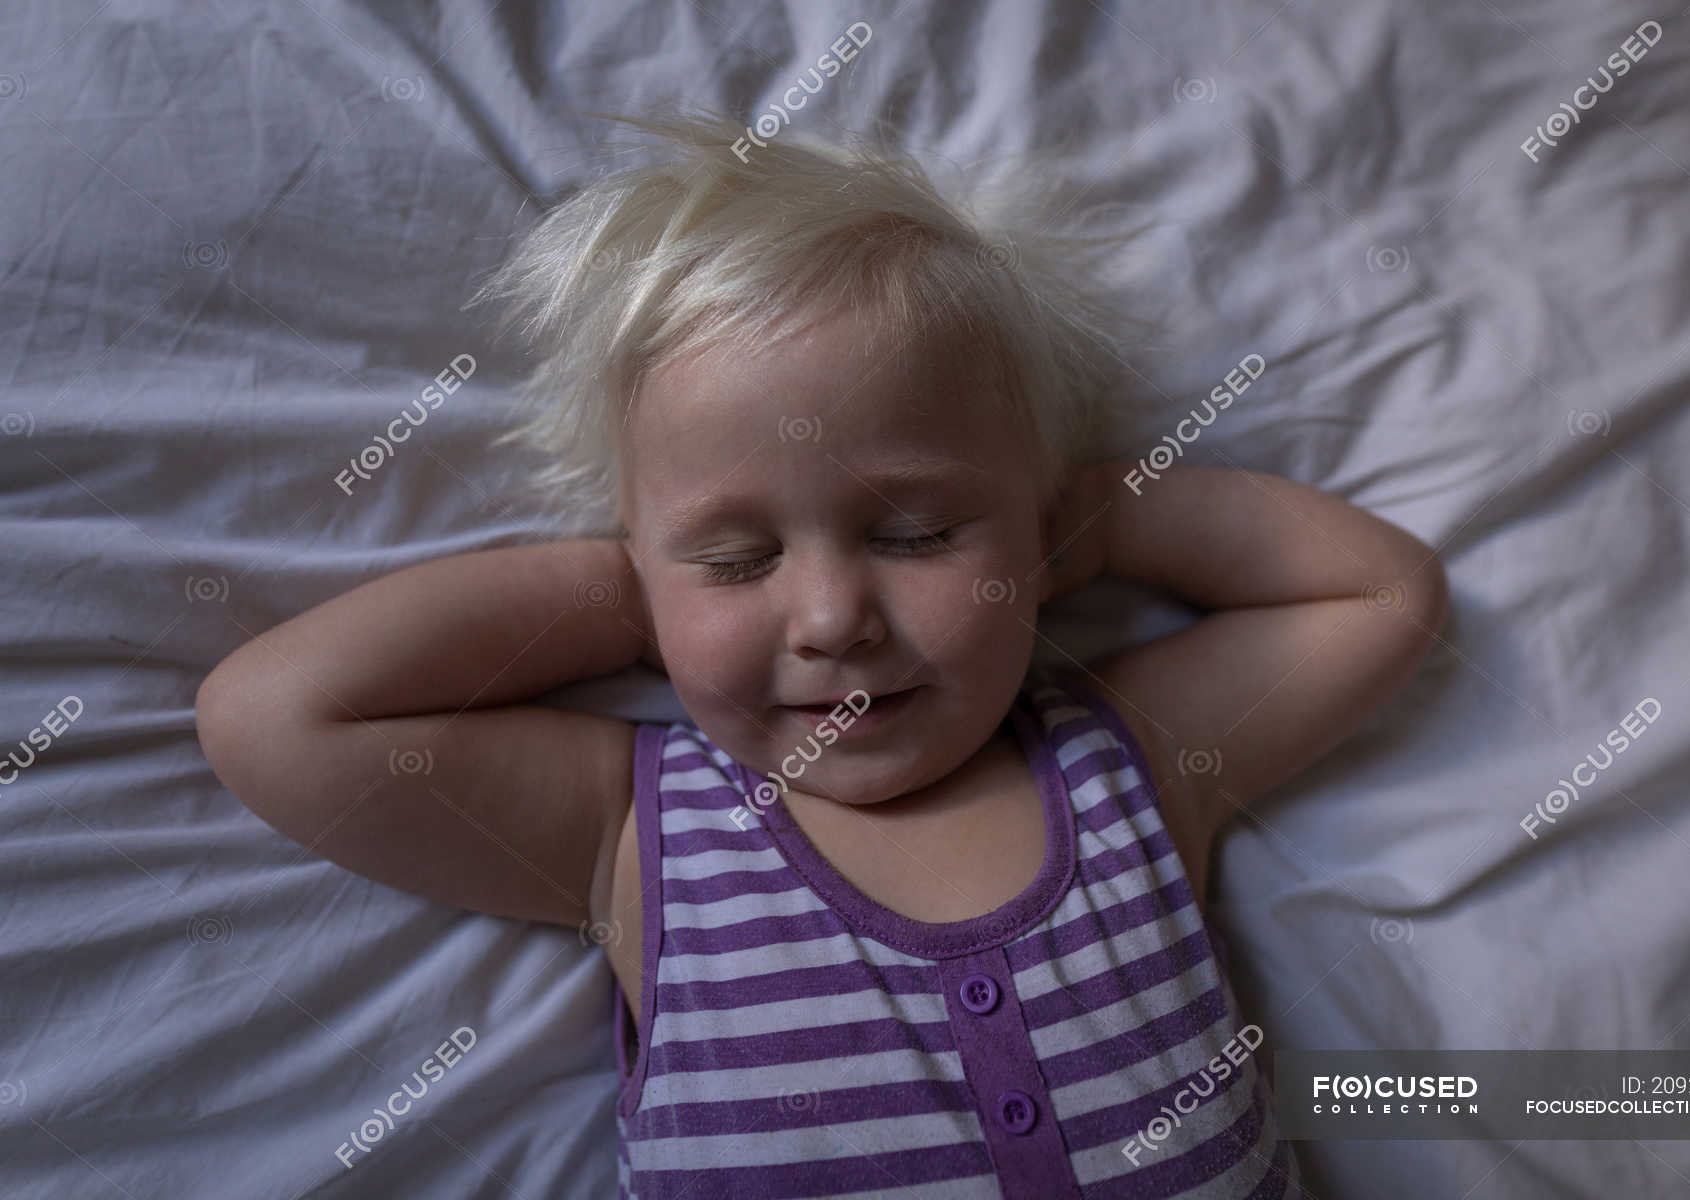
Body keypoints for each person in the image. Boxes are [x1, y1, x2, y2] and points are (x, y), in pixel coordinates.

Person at [196, 109, 1447, 1198]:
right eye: (739, 560)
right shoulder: (638, 841)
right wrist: (632, 596)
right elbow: (279, 719)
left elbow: (1381, 593)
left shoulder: (1130, 762)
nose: (832, 615)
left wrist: (1100, 523)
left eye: (915, 533)